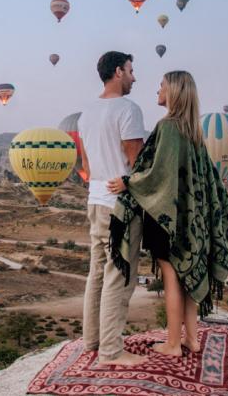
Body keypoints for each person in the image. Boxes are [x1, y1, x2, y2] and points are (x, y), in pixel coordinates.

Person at [107, 71, 228, 357]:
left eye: (162, 86)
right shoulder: (192, 130)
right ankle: (191, 339)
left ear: (174, 92)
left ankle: (172, 344)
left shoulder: (168, 127)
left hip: (167, 218)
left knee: (172, 279)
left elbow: (157, 173)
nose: (158, 90)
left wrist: (128, 182)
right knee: (189, 276)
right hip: (192, 218)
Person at [77, 51, 147, 366]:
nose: (134, 77)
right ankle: (111, 351)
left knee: (97, 273)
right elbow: (139, 163)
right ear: (118, 71)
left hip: (95, 198)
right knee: (119, 276)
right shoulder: (128, 110)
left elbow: (88, 166)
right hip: (119, 204)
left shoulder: (86, 112)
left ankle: (92, 341)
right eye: (131, 70)